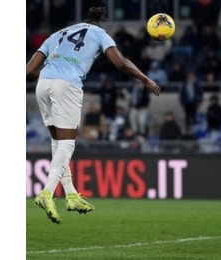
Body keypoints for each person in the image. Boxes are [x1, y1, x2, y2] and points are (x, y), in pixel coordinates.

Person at [26, 4, 161, 224]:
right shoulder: (100, 34)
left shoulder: (57, 34)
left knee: (57, 142)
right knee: (68, 143)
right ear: (101, 20)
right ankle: (46, 193)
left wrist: (49, 77)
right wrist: (145, 79)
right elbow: (121, 63)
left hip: (43, 83)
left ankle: (70, 195)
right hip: (67, 85)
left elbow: (28, 71)